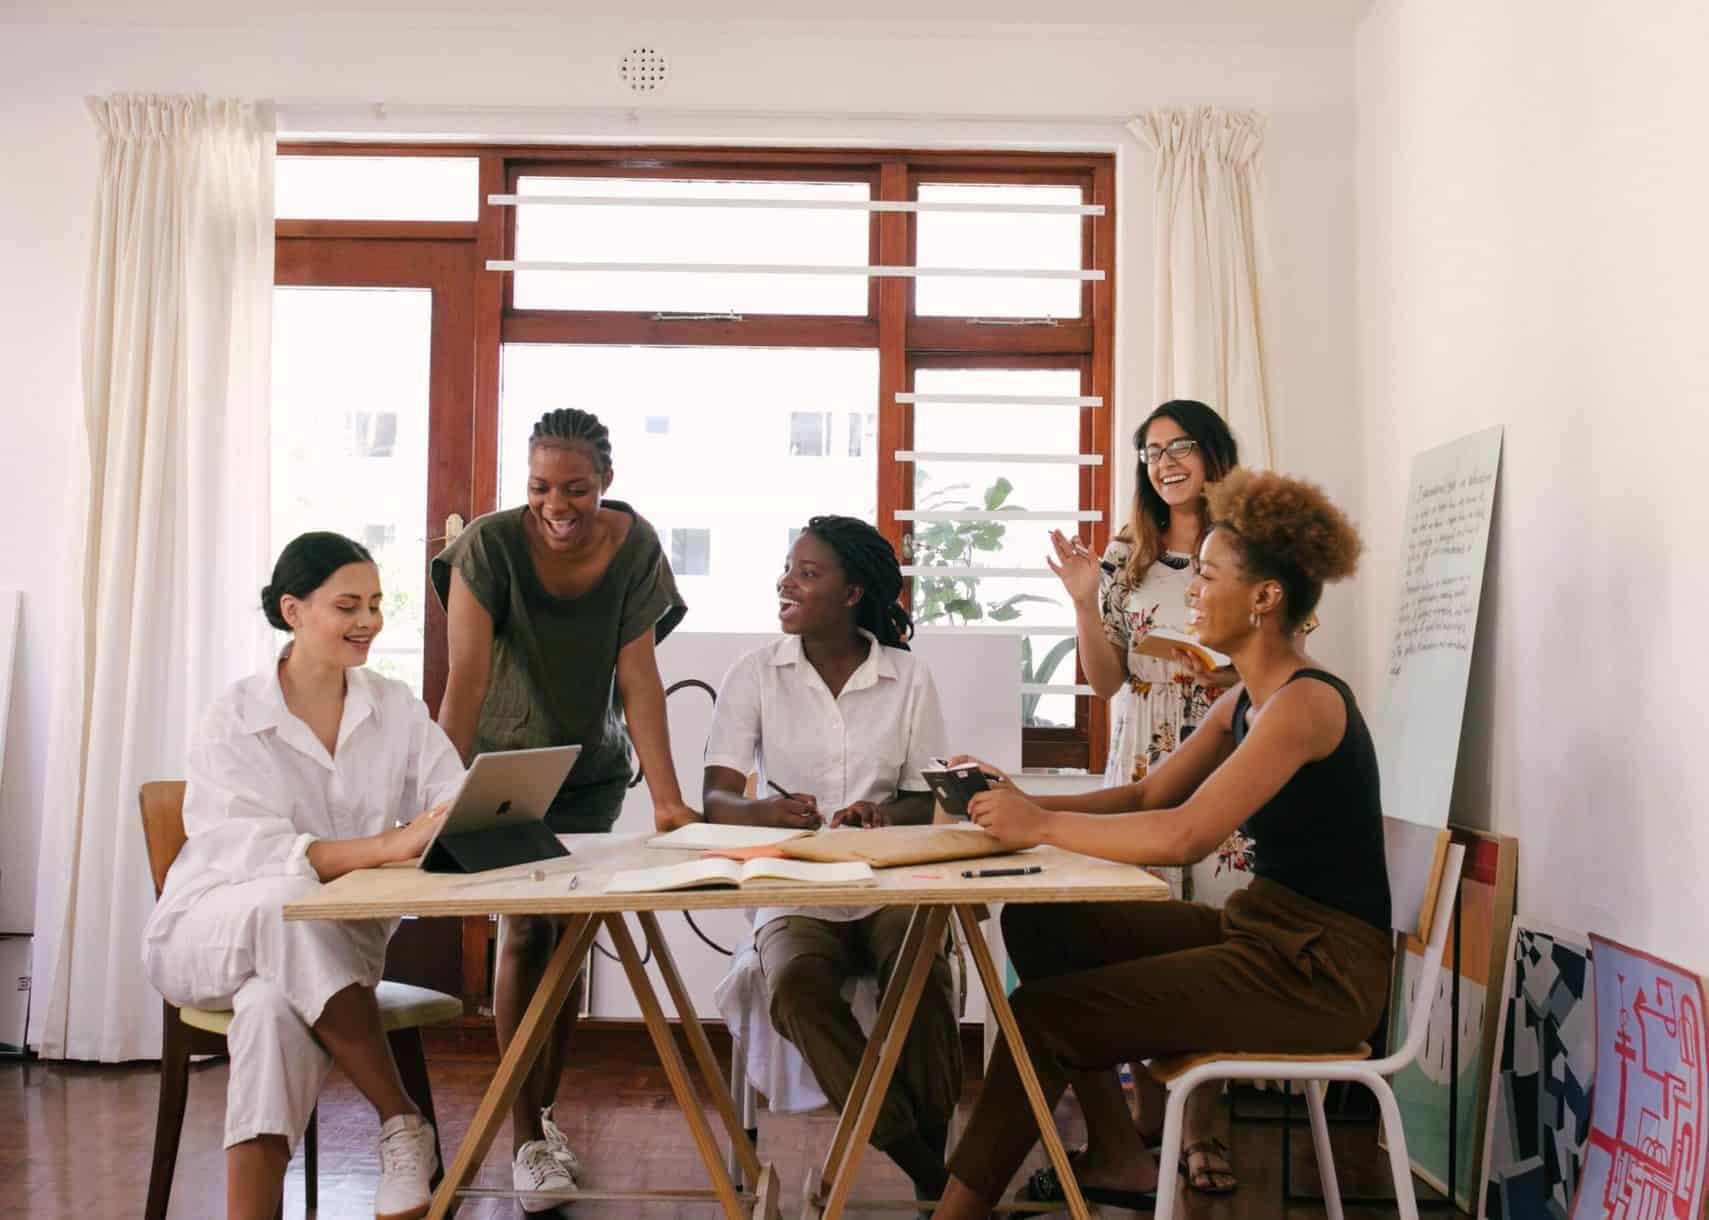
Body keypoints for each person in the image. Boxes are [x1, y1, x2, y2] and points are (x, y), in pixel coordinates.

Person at [933, 470, 1392, 1218]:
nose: (1191, 594)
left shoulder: (1305, 704)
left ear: (1264, 597)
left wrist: (1041, 828)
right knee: (1040, 922)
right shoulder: (1247, 697)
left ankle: (957, 1212)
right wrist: (1011, 797)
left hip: (1318, 976)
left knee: (1042, 1016)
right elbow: (1150, 795)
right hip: (1263, 934)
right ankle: (1115, 1152)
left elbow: (1184, 836)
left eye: (1207, 576)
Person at [142, 532, 463, 1220]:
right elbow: (253, 853)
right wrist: (385, 845)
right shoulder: (235, 715)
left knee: (269, 1011)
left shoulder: (395, 706)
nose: (369, 621)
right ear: (293, 610)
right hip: (209, 930)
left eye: (376, 604)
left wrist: (454, 821)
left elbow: (452, 795)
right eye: (348, 605)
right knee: (285, 901)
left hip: (329, 950)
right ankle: (400, 1118)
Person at [432, 407, 696, 1214]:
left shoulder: (636, 546)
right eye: (541, 487)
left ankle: (541, 1124)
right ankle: (523, 1139)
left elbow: (640, 682)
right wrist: (440, 797)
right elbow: (466, 681)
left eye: (576, 489)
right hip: (504, 768)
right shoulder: (486, 546)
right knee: (525, 930)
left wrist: (668, 800)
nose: (558, 504)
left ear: (604, 484)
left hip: (589, 773)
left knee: (571, 942)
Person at [700, 516, 957, 1204]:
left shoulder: (906, 677)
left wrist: (882, 814)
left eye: (807, 572)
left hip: (885, 884)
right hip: (794, 889)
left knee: (926, 981)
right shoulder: (754, 674)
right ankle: (932, 1175)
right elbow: (716, 800)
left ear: (851, 594)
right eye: (788, 567)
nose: (786, 582)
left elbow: (921, 800)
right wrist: (767, 814)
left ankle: (934, 1179)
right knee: (794, 987)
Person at [1042, 398, 1243, 1194]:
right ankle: (1149, 1117)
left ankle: (1207, 1126)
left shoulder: (1246, 549)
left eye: (1181, 446)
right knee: (1143, 932)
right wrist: (1084, 599)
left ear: (1213, 456)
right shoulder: (1129, 555)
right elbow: (1104, 681)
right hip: (1142, 752)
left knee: (1215, 943)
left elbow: (1277, 655)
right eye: (1151, 450)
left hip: (1226, 745)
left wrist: (1221, 672)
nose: (1164, 462)